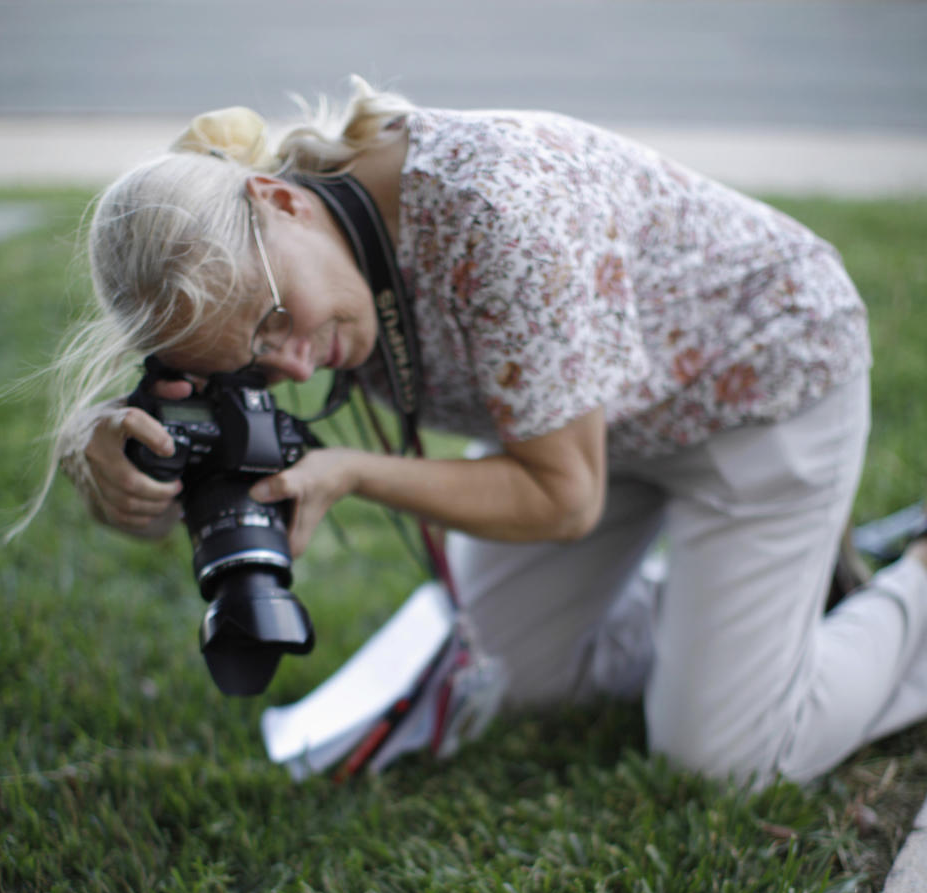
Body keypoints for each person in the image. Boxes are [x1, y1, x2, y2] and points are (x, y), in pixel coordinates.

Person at [48, 77, 927, 786]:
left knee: (728, 760)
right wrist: (119, 457)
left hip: (761, 391)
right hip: (588, 424)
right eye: (254, 357)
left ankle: (910, 591)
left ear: (281, 199)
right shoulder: (255, 274)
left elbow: (563, 498)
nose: (296, 366)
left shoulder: (492, 211)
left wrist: (351, 470)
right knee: (521, 678)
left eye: (279, 323)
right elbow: (190, 480)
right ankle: (749, 615)